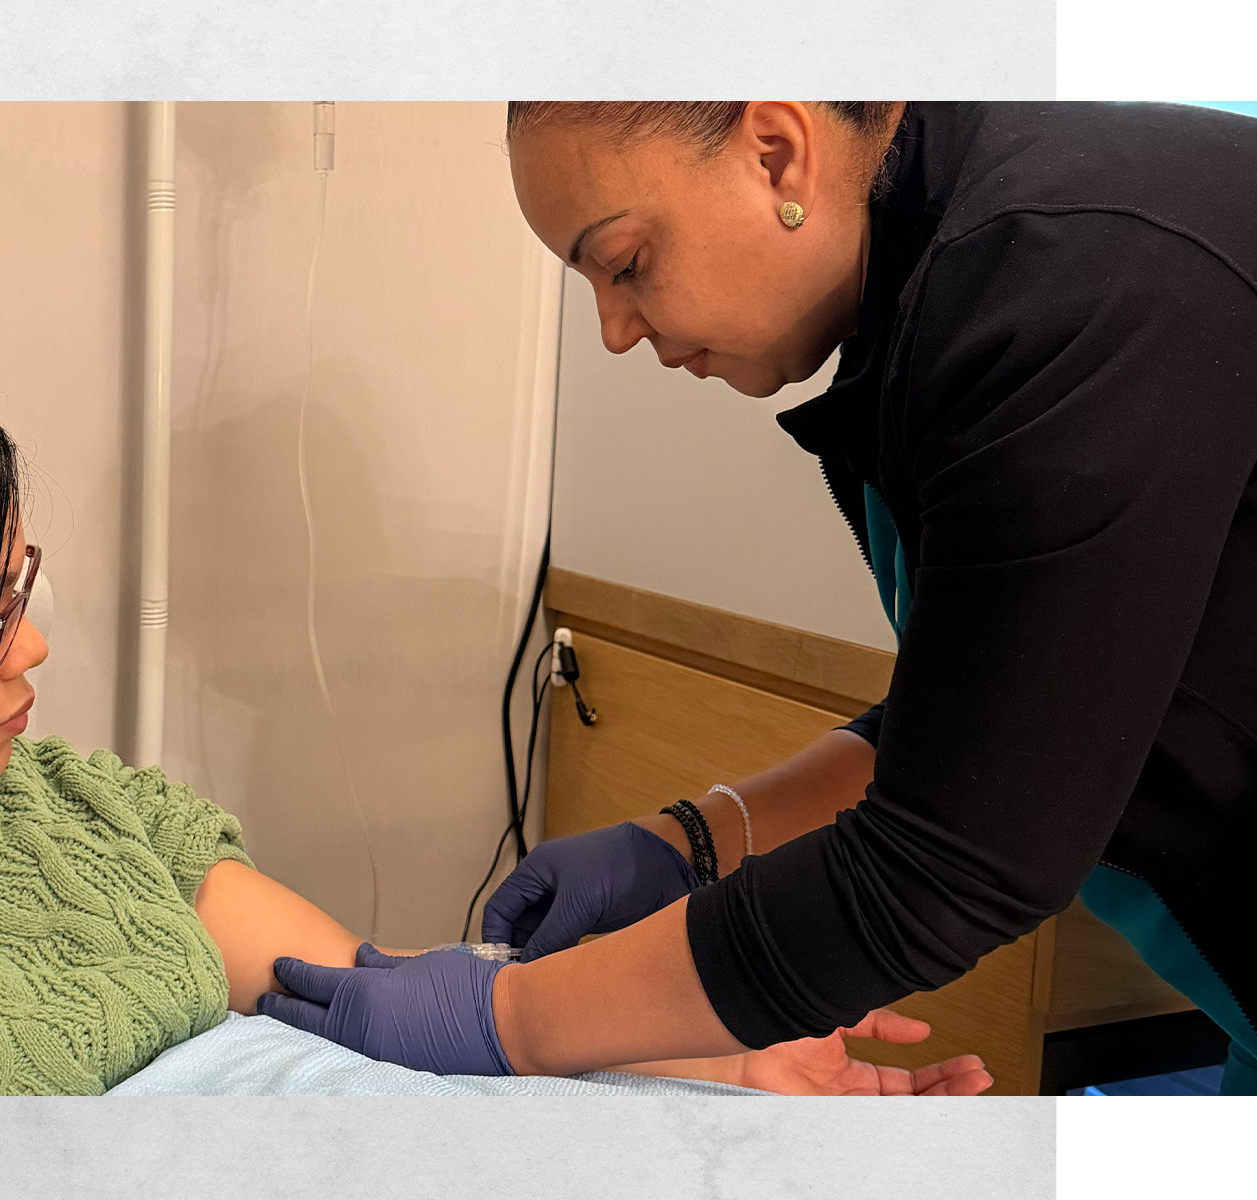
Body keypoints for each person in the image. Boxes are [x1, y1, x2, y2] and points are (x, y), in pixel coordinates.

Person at [0, 358, 982, 1096]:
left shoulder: (70, 810)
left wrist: (717, 1071)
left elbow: (387, 1007)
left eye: (23, 589)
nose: (36, 647)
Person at [257, 101, 1257, 1095]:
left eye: (628, 263)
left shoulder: (1068, 281)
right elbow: (1001, 707)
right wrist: (695, 839)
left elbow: (946, 864)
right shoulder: (925, 287)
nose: (613, 329)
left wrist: (507, 1017)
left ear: (778, 154)